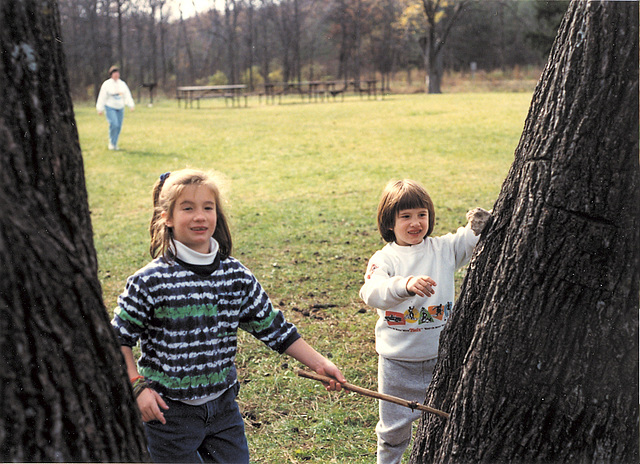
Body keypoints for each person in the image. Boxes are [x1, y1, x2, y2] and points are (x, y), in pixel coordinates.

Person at [111, 169, 345, 463]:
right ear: (167, 217)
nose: (200, 216)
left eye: (208, 208)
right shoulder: (150, 281)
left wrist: (320, 363)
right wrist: (136, 387)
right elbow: (116, 339)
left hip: (223, 410)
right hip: (167, 416)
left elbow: (273, 327)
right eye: (188, 208)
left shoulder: (235, 275)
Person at [359, 179, 490, 464]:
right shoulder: (385, 259)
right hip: (397, 363)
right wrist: (404, 285)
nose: (415, 222)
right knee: (393, 431)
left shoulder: (441, 249)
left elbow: (466, 242)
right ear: (389, 223)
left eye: (422, 214)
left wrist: (476, 228)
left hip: (440, 359)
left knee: (445, 420)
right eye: (405, 216)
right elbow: (371, 293)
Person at [96, 65, 135, 150]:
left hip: (120, 107)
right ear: (111, 74)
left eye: (117, 73)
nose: (116, 75)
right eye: (114, 73)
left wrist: (131, 104)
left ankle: (115, 143)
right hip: (110, 107)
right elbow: (102, 96)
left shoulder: (122, 84)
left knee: (118, 126)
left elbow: (127, 95)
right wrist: (100, 108)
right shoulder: (107, 84)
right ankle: (111, 143)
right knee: (114, 124)